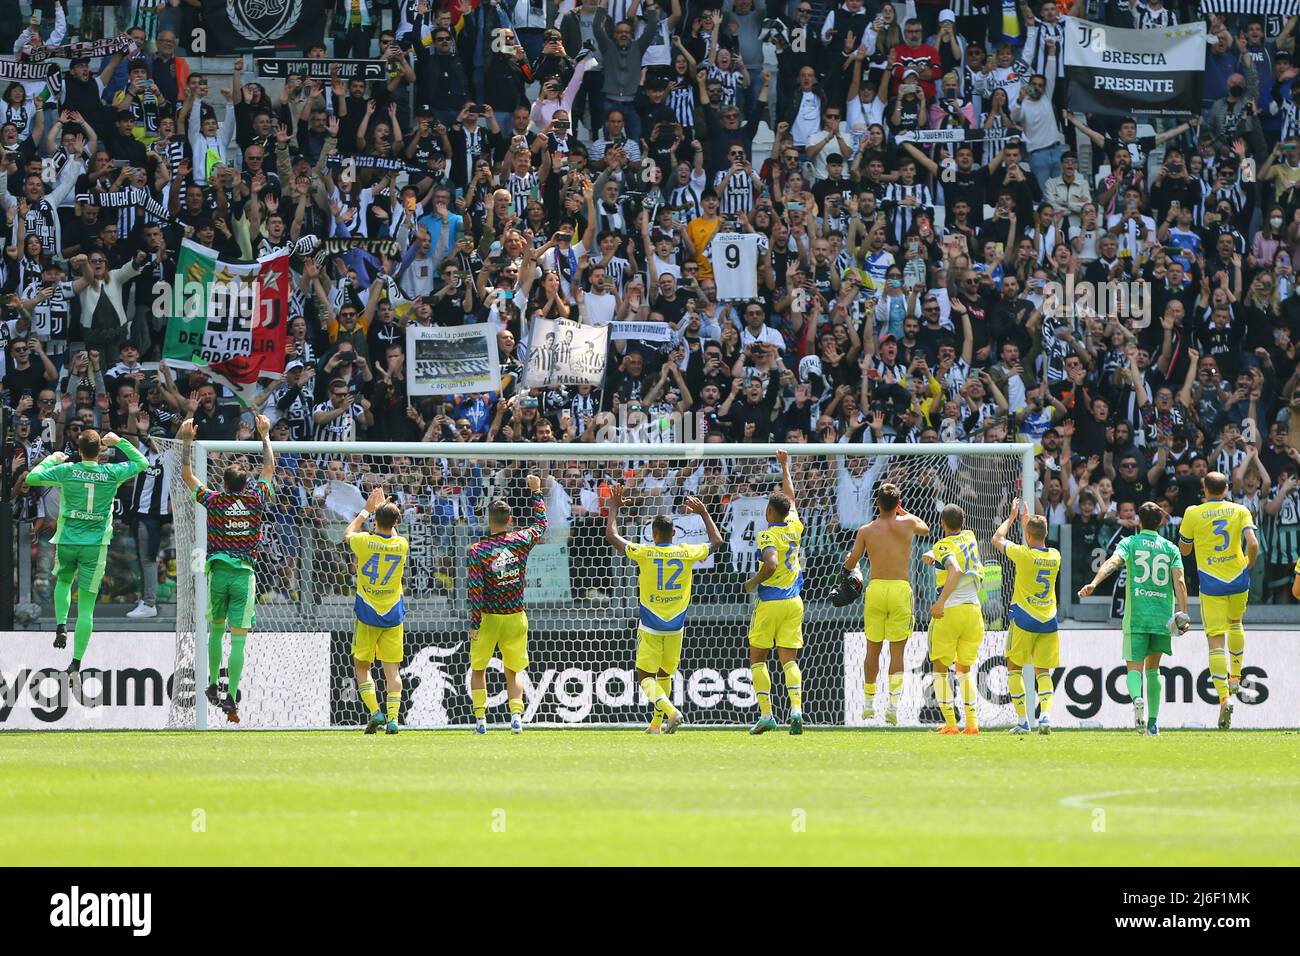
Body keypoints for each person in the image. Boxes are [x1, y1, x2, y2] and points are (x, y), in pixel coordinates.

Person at [23, 428, 148, 676]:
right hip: (95, 546)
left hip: (68, 540)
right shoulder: (111, 473)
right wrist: (120, 441)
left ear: (79, 451)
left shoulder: (67, 471)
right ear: (101, 451)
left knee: (64, 582)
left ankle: (60, 625)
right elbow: (142, 462)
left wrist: (52, 458)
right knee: (87, 608)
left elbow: (31, 479)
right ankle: (76, 663)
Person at [178, 414, 275, 724]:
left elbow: (187, 475)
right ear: (247, 484)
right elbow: (270, 469)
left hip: (218, 574)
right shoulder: (256, 500)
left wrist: (187, 442)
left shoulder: (215, 501)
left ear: (223, 483)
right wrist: (264, 436)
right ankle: (231, 695)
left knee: (216, 631)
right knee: (239, 639)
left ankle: (210, 683)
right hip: (244, 574)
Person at [604, 487, 722, 734]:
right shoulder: (687, 552)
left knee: (645, 676)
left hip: (650, 625)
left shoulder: (646, 552)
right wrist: (703, 513)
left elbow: (613, 537)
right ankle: (656, 725)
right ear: (675, 533)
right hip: (676, 627)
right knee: (665, 674)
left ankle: (670, 712)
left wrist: (614, 508)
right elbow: (717, 541)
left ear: (653, 534)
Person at [1078, 502, 1190, 736]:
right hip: (1162, 617)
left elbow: (1111, 563)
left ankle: (1137, 698)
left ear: (1139, 521)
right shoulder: (1170, 548)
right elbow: (1179, 582)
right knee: (1154, 670)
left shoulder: (1129, 543)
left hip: (1137, 616)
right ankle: (1153, 723)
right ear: (1160, 522)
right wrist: (1183, 613)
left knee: (1133, 668)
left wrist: (1094, 583)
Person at [841, 481, 930, 725]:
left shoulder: (866, 530)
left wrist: (850, 566)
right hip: (900, 588)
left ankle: (868, 704)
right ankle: (892, 706)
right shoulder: (909, 523)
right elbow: (926, 528)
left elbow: (851, 562)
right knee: (897, 651)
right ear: (898, 504)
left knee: (873, 649)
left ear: (876, 503)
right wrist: (904, 512)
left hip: (877, 588)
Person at [1177, 471, 1259, 729]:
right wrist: (1248, 563)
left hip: (1211, 580)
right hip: (1238, 576)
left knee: (1214, 641)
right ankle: (1236, 676)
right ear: (1226, 488)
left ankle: (1224, 698)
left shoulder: (1193, 512)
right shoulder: (1240, 509)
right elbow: (1253, 542)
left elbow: (1185, 550)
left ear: (1205, 488)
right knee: (1235, 622)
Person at [466, 474, 547, 734]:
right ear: (510, 520)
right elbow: (542, 524)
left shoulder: (477, 551)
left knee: (478, 669)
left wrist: (475, 623)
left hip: (489, 618)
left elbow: (475, 591)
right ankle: (516, 719)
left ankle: (481, 721)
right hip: (515, 616)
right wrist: (536, 491)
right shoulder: (521, 541)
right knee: (513, 671)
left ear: (488, 520)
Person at [742, 449, 805, 735]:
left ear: (769, 512)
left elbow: (770, 563)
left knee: (758, 659)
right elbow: (790, 496)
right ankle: (796, 709)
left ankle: (767, 715)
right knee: (788, 659)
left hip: (769, 602)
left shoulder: (767, 534)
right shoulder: (794, 525)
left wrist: (753, 582)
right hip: (794, 601)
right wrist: (785, 466)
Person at [991, 497, 1061, 735]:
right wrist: (1026, 524)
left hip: (1024, 619)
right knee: (1043, 672)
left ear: (1028, 536)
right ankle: (1046, 716)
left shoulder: (1023, 554)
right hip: (1048, 620)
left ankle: (1023, 720)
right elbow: (1035, 542)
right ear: (1047, 532)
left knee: (1014, 668)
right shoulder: (1055, 556)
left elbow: (997, 539)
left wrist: (1012, 519)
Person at [344, 485, 409, 735]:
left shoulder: (364, 542)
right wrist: (385, 511)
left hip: (367, 614)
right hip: (393, 615)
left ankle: (375, 712)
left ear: (376, 521)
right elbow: (392, 531)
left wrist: (367, 510)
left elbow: (347, 533)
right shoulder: (402, 544)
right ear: (396, 521)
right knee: (392, 671)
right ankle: (393, 719)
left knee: (362, 667)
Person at [922, 503, 984, 735]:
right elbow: (953, 554)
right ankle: (972, 724)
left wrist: (939, 603)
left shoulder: (942, 545)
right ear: (964, 521)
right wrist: (934, 555)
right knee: (964, 670)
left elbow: (955, 569)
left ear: (941, 523)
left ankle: (950, 723)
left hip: (950, 612)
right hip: (973, 612)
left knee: (940, 670)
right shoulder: (970, 537)